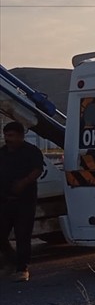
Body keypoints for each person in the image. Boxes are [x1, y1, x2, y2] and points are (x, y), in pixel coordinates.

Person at [1, 120, 45, 283]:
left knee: (22, 236)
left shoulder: (31, 151)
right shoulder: (2, 153)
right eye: (6, 135)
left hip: (24, 202)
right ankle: (12, 260)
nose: (8, 139)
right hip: (4, 201)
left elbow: (37, 170)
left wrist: (23, 182)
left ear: (20, 136)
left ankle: (22, 269)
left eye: (11, 135)